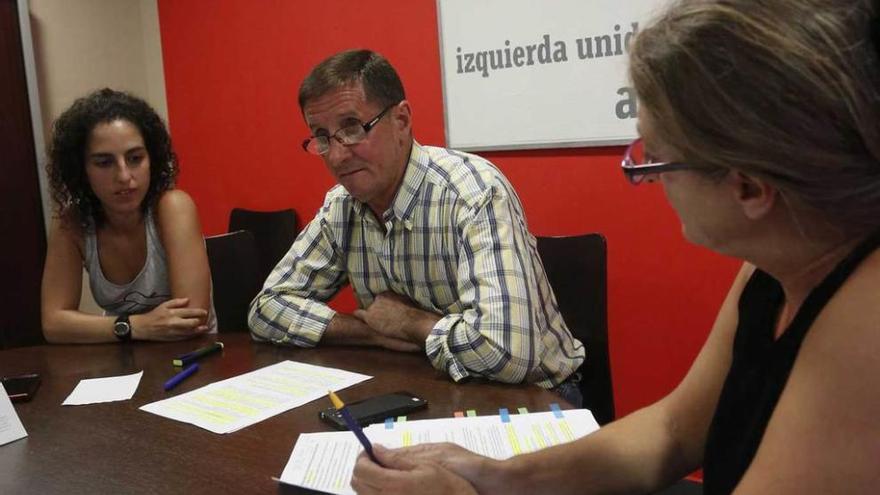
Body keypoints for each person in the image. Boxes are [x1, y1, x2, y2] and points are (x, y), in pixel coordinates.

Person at [350, 0, 880, 493]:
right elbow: (671, 431)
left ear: (748, 186)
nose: (645, 178)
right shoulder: (775, 266)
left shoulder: (866, 322)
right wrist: (493, 476)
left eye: (654, 158)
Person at [248, 49, 585, 404]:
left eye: (351, 128)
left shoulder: (472, 192)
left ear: (402, 121)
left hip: (538, 397)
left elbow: (507, 353)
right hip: (427, 387)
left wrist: (410, 324)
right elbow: (266, 309)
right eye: (322, 136)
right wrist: (369, 332)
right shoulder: (341, 206)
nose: (336, 155)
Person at [41, 88, 216, 343]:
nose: (124, 176)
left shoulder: (173, 207)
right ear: (81, 169)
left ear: (152, 159)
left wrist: (110, 328)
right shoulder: (72, 221)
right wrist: (136, 326)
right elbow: (54, 324)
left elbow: (189, 320)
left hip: (189, 357)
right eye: (104, 162)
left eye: (135, 158)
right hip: (122, 357)